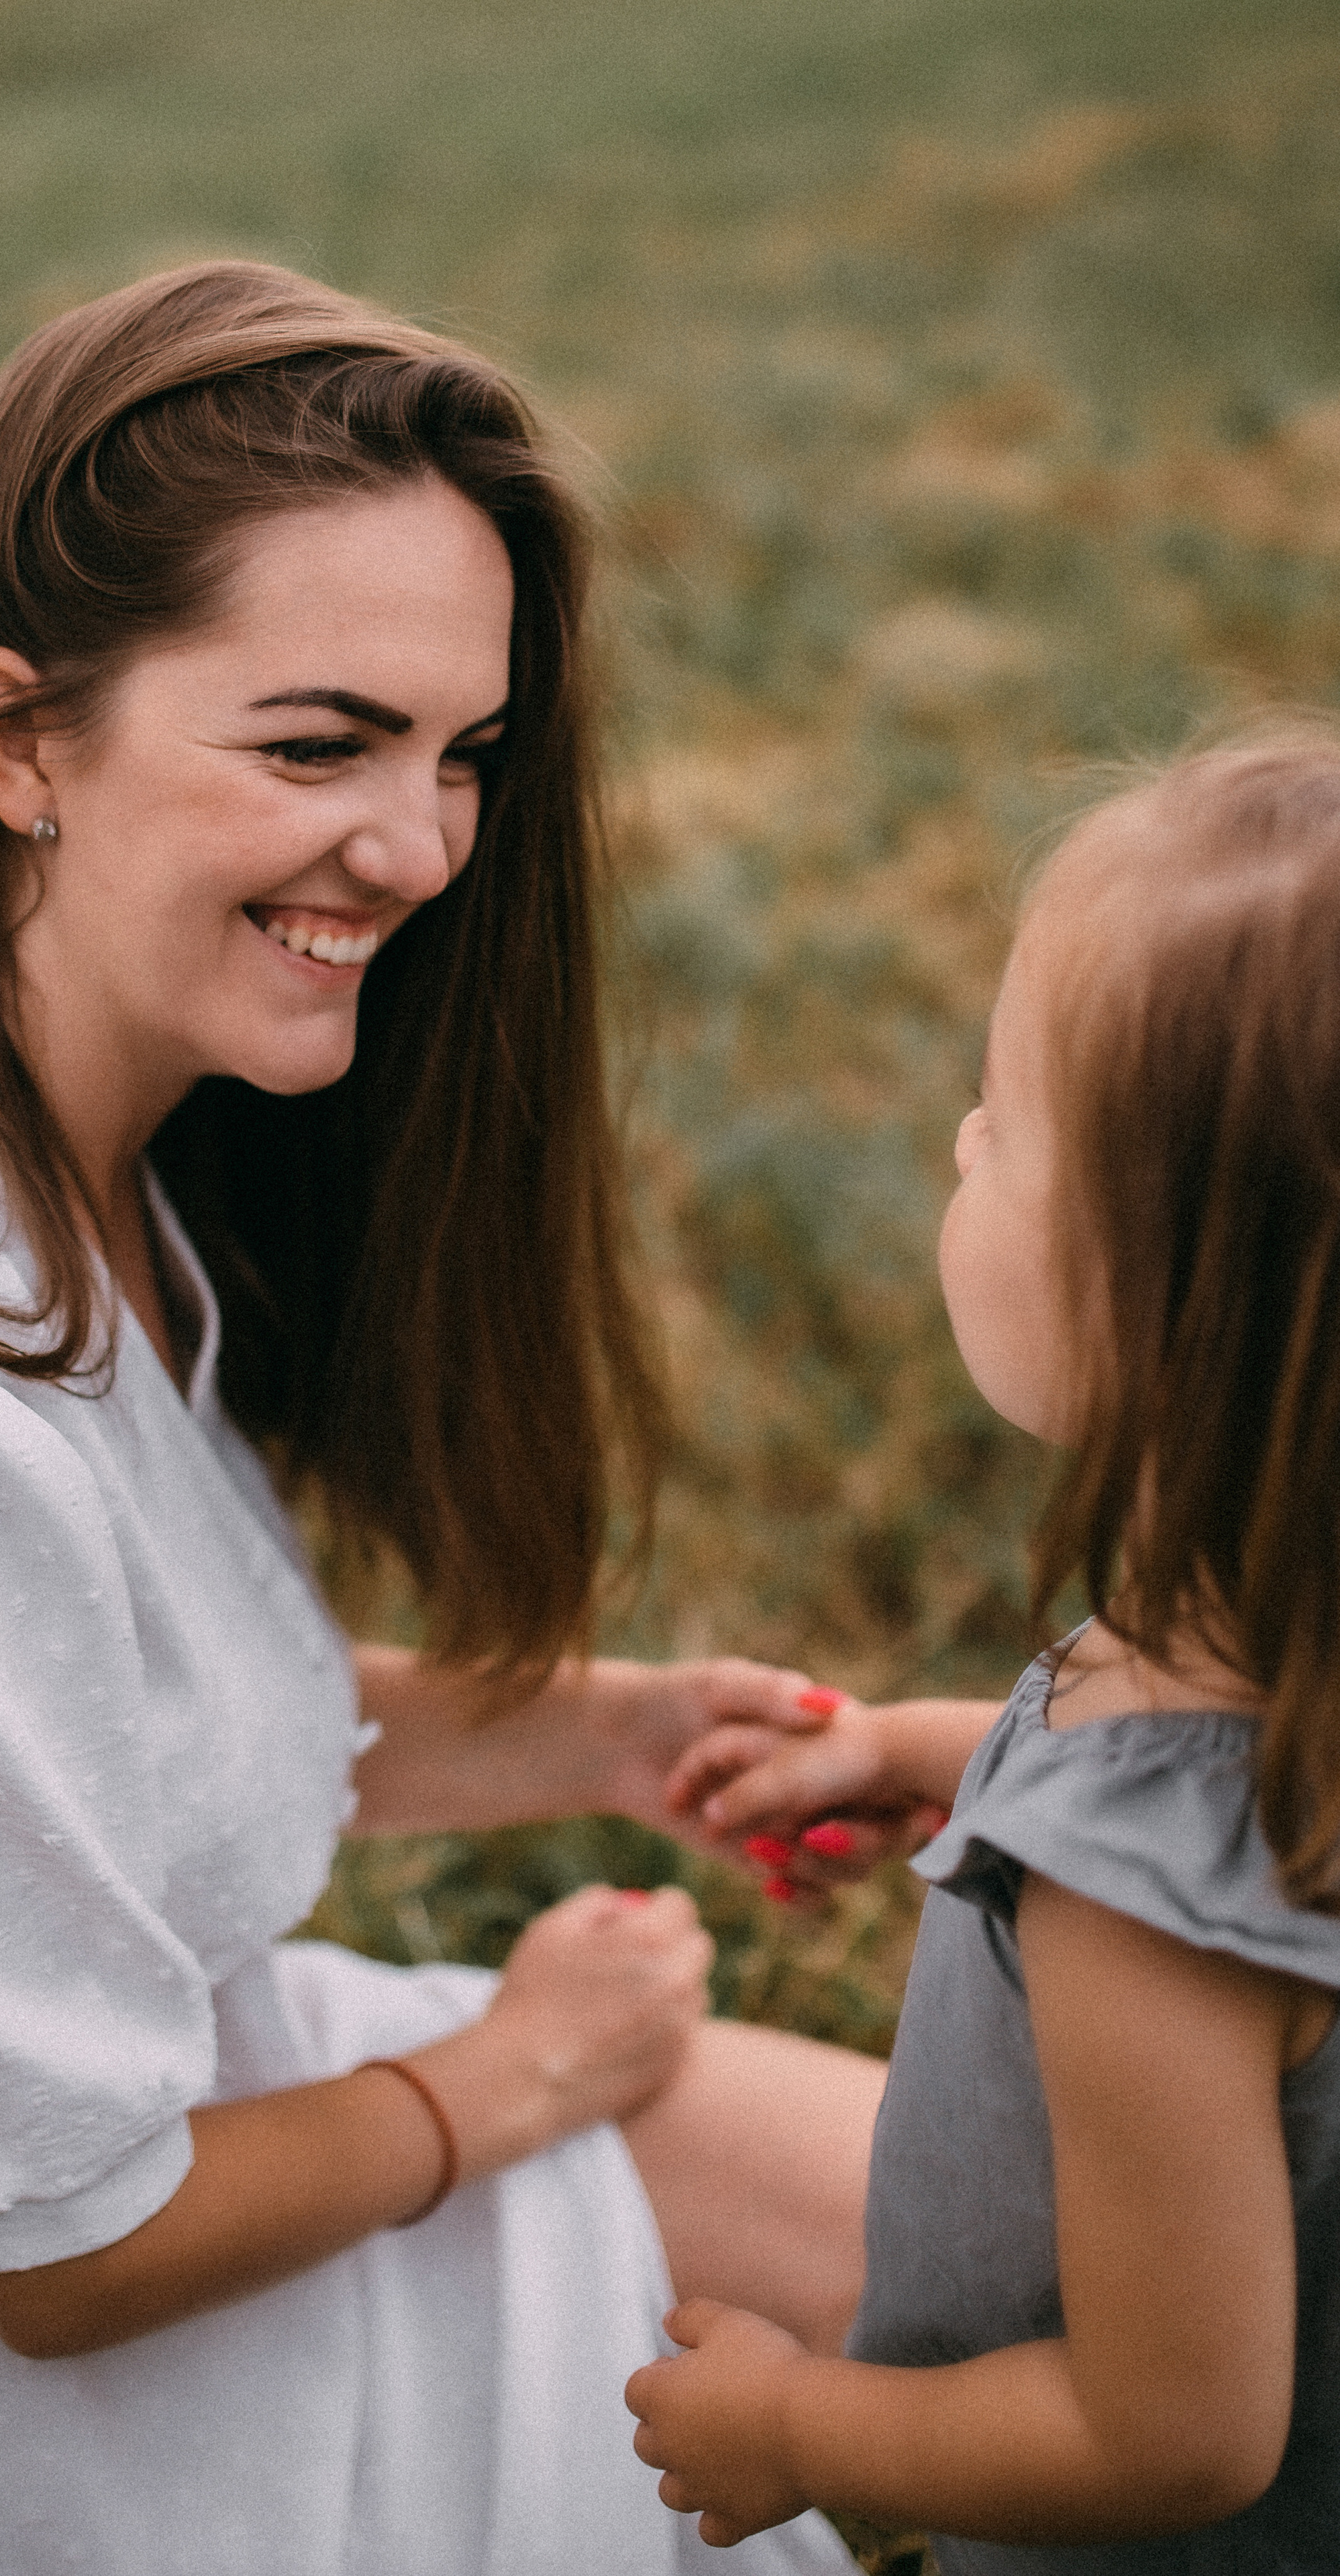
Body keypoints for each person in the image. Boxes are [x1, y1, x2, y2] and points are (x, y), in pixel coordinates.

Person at [0, 259, 911, 2576]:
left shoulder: (32, 1110)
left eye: (464, 756)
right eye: (319, 749)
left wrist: (614, 1737)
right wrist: (519, 2077)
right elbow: (56, 2255)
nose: (419, 852)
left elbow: (88, 1742)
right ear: (16, 739)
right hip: (82, 2416)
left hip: (262, 2090)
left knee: (1106, 2294)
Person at [629, 726, 1340, 2572]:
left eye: (1004, 1123)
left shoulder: (1134, 1908)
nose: (959, 1138)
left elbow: (1166, 2428)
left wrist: (797, 2422)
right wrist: (925, 1749)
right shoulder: (1272, 1641)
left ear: (1164, 1297)